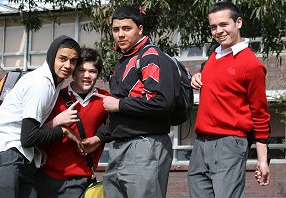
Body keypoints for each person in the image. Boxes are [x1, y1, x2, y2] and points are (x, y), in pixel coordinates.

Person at [83, 5, 176, 198]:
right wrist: (100, 137)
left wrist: (119, 105)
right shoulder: (123, 62)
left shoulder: (151, 57)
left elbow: (162, 102)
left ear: (140, 29)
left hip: (145, 146)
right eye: (116, 30)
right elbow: (119, 111)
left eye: (127, 28)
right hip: (119, 147)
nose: (120, 35)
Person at [188, 1, 270, 198]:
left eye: (224, 24)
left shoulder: (251, 65)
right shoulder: (213, 57)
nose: (218, 31)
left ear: (238, 22)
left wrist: (263, 160)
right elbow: (219, 81)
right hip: (200, 144)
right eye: (214, 27)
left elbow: (260, 114)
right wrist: (197, 76)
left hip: (229, 144)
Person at [0, 35, 83, 198]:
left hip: (21, 155)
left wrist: (37, 149)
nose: (67, 65)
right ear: (52, 57)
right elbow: (28, 137)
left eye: (73, 61)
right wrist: (63, 131)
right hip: (6, 152)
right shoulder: (41, 83)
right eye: (63, 59)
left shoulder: (53, 84)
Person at [36, 47, 109, 197]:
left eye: (92, 71)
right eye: (82, 70)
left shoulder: (105, 100)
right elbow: (35, 132)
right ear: (73, 72)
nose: (87, 75)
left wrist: (98, 139)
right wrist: (56, 122)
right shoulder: (55, 97)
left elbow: (116, 127)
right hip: (46, 177)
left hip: (80, 179)